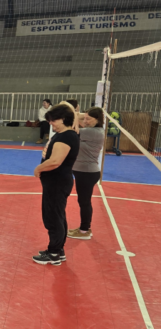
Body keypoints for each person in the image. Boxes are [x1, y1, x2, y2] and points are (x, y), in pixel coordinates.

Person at [33, 105, 80, 266]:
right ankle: (58, 250)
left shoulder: (67, 136)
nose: (51, 123)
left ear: (63, 119)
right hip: (56, 181)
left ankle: (53, 253)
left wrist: (39, 168)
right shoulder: (64, 135)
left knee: (53, 217)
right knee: (57, 215)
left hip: (57, 182)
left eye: (53, 120)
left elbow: (55, 161)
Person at [68, 107, 105, 240]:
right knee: (83, 201)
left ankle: (84, 231)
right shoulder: (91, 130)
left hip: (87, 172)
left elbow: (70, 130)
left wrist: (70, 110)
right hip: (84, 171)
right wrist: (83, 115)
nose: (85, 121)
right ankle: (84, 228)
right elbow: (77, 117)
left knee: (84, 202)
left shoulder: (93, 132)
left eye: (88, 119)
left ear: (97, 120)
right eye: (84, 118)